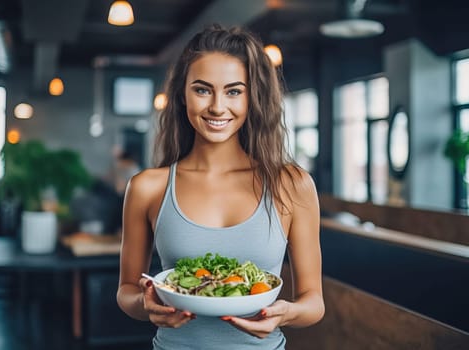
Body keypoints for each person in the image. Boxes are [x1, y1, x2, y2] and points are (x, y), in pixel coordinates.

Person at [117, 24, 324, 349]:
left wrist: (286, 313)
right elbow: (127, 291)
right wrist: (146, 305)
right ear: (182, 95)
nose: (216, 106)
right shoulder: (147, 188)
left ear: (252, 97)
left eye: (233, 91)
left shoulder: (291, 185)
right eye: (202, 89)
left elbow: (314, 302)